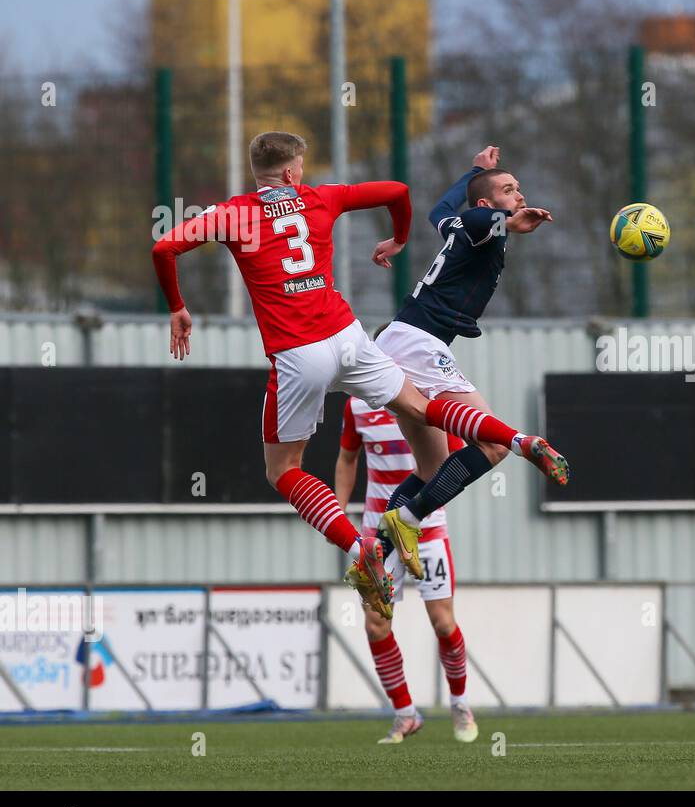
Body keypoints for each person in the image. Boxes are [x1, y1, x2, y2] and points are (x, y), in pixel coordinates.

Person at [151, 131, 561, 620]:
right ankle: (514, 441)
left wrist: (178, 308)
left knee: (283, 470)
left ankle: (361, 550)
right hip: (350, 337)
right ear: (291, 172)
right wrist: (400, 238)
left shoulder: (234, 214)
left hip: (298, 353)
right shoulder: (320, 198)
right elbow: (397, 193)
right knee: (425, 409)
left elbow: (164, 249)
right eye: (300, 166)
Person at [370, 145, 568, 576]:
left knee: (431, 470)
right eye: (508, 189)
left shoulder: (462, 224)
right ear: (486, 204)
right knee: (493, 446)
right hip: (419, 344)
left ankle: (375, 557)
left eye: (519, 189)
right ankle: (409, 519)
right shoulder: (483, 224)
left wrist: (476, 171)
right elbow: (482, 218)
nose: (519, 194)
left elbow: (438, 210)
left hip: (402, 340)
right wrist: (509, 220)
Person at [336, 364, 476, 744]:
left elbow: (456, 463)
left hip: (426, 531)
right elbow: (347, 460)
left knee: (443, 623)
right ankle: (404, 714)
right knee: (376, 625)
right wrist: (339, 517)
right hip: (376, 536)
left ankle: (460, 703)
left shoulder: (428, 403)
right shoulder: (356, 406)